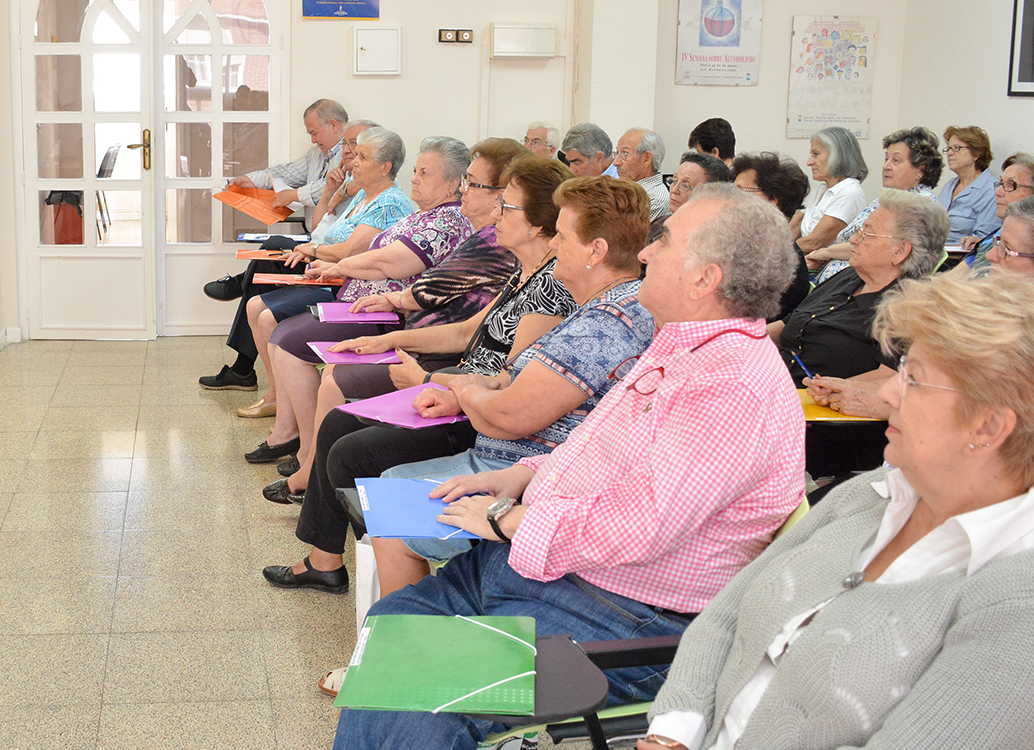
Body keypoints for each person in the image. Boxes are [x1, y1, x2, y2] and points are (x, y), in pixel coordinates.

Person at [329, 183, 805, 749]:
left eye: (666, 241)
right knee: (388, 639)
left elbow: (637, 526)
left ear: (705, 279)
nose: (647, 252)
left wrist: (508, 519)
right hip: (556, 578)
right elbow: (596, 450)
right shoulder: (683, 347)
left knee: (412, 692)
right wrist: (522, 477)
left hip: (622, 614)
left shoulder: (729, 387)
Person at [640, 270, 1034, 750]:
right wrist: (673, 731)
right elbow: (727, 614)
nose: (889, 394)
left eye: (915, 380)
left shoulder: (1016, 602)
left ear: (989, 426)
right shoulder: (873, 492)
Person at [367, 176, 657, 596]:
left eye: (562, 235)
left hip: (530, 478)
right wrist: (468, 394)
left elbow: (511, 417)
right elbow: (515, 377)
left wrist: (465, 392)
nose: (554, 245)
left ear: (597, 250)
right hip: (526, 467)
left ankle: (406, 644)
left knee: (389, 508)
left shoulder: (605, 324)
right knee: (385, 477)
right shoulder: (606, 304)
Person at [256, 154, 575, 524]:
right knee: (337, 421)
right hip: (456, 381)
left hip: (474, 409)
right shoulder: (525, 268)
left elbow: (506, 378)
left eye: (506, 205)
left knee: (348, 445)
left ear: (537, 225)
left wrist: (424, 379)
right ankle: (324, 555)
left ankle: (339, 539)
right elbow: (467, 330)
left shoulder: (548, 283)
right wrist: (392, 342)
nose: (497, 213)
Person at [250, 137, 473, 491]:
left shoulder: (447, 220)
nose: (414, 178)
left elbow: (391, 262)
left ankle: (307, 455)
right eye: (415, 170)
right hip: (361, 299)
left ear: (454, 183)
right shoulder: (422, 213)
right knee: (278, 330)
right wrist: (334, 257)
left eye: (425, 173)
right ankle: (299, 445)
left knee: (290, 342)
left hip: (387, 314)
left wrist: (338, 263)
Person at [806, 195, 1034, 420]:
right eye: (996, 242)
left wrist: (885, 406)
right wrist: (847, 389)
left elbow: (985, 413)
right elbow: (916, 379)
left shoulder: (1013, 334)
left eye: (1006, 249)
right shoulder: (988, 311)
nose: (992, 256)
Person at [772, 190, 948, 479]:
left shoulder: (910, 305)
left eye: (867, 234)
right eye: (858, 231)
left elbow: (891, 378)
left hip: (827, 428)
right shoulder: (849, 277)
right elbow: (787, 326)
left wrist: (806, 398)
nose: (853, 239)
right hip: (782, 399)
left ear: (900, 251)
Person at [199, 120, 378, 401]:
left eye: (356, 146)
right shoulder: (341, 175)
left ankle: (243, 356)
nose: (348, 149)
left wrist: (313, 244)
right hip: (319, 247)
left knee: (269, 255)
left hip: (331, 266)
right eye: (347, 144)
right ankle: (245, 364)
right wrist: (333, 191)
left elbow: (343, 248)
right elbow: (318, 221)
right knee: (267, 259)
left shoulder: (370, 191)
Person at [808, 126, 942, 283]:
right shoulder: (886, 199)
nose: (886, 166)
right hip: (835, 280)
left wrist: (826, 253)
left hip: (862, 288)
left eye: (896, 161)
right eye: (886, 159)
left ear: (921, 170)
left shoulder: (919, 206)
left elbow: (873, 249)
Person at [731, 151, 812, 319]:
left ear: (773, 199)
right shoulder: (743, 241)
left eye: (740, 191)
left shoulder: (778, 255)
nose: (731, 199)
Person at [227, 97, 346, 209]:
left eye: (314, 133)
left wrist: (293, 195)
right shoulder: (315, 153)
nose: (313, 140)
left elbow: (331, 187)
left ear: (334, 125)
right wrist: (248, 180)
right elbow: (287, 173)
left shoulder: (352, 153)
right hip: (314, 230)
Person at [792, 126, 868, 265]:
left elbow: (814, 242)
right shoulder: (821, 189)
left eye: (816, 154)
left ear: (837, 156)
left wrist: (775, 257)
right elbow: (793, 227)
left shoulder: (849, 192)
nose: (809, 162)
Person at [960, 152, 1034, 268]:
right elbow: (953, 277)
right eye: (1000, 183)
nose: (998, 192)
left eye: (1010, 185)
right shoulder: (988, 240)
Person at [940, 125, 1001, 246]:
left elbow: (983, 239)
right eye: (949, 148)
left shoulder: (992, 190)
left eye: (957, 148)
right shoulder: (949, 186)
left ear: (976, 153)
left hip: (961, 258)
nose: (950, 153)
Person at [615, 128, 671, 219]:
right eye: (617, 153)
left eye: (625, 154)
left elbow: (620, 232)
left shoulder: (654, 200)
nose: (616, 162)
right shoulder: (625, 189)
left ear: (646, 159)